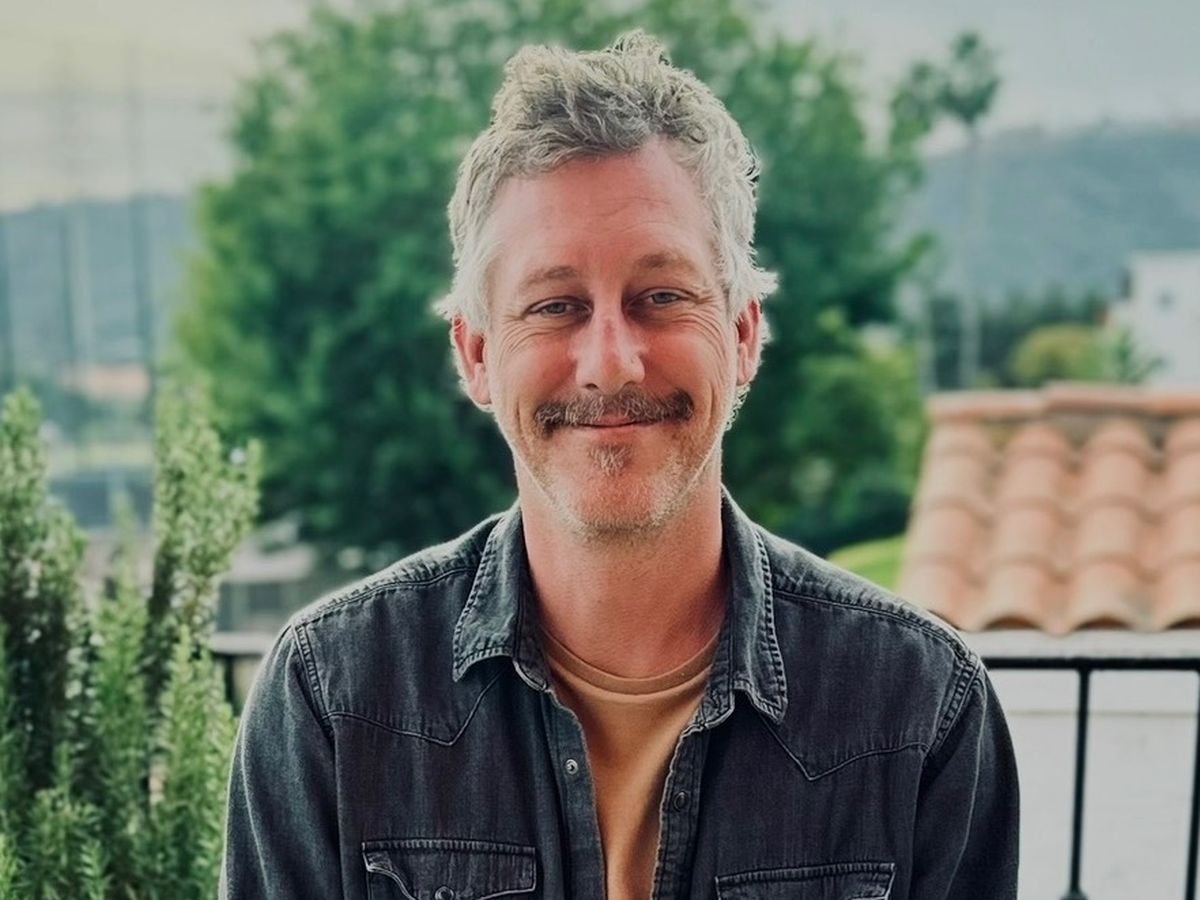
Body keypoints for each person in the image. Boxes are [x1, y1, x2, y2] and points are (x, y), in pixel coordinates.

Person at [220, 30, 1019, 900]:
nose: (611, 363)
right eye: (555, 305)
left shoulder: (921, 709)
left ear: (742, 335)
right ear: (477, 354)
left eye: (661, 297)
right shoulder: (331, 700)